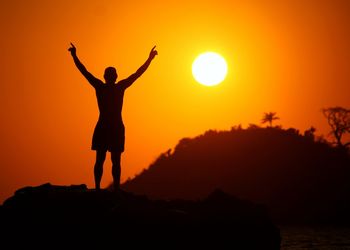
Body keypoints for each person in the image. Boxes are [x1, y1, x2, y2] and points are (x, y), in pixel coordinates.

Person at [68, 43, 158, 191]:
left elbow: (85, 72)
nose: (112, 77)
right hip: (111, 126)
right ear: (113, 77)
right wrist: (149, 59)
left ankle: (104, 188)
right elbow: (137, 74)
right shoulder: (116, 87)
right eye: (111, 75)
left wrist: (74, 56)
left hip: (108, 126)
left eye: (112, 75)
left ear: (108, 77)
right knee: (110, 160)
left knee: (105, 160)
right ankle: (108, 188)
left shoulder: (103, 86)